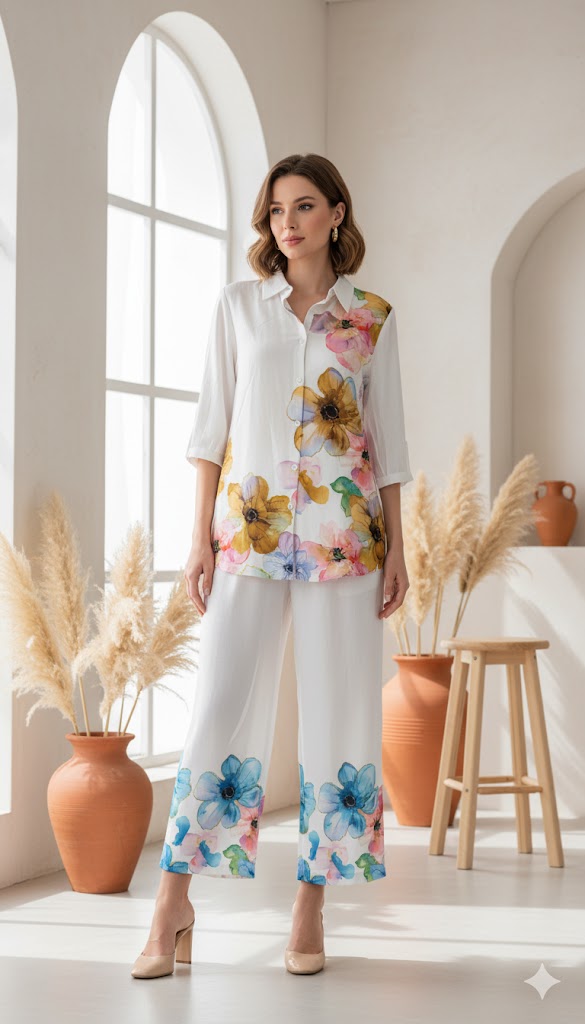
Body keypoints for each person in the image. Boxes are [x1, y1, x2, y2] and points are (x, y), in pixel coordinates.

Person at [131, 152, 412, 980]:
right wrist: (197, 540)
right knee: (219, 706)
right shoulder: (237, 308)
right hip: (246, 538)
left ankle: (310, 905)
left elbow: (389, 442)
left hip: (344, 540)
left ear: (335, 213)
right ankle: (172, 904)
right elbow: (208, 431)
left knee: (339, 714)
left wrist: (399, 548)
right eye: (276, 210)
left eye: (303, 206)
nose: (286, 223)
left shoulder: (369, 317)